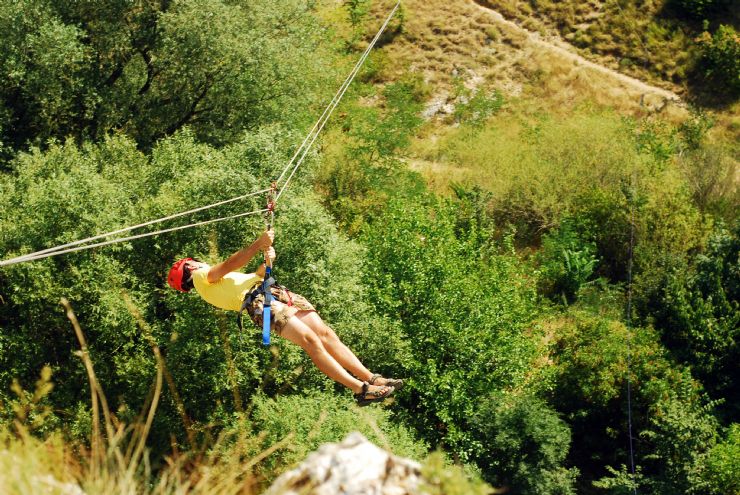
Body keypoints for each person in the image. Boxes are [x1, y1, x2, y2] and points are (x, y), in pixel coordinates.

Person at [167, 230, 401, 406]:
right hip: (261, 303)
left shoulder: (217, 285)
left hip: (270, 292)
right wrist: (258, 243)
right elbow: (230, 264)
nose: (200, 261)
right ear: (189, 267)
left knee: (325, 334)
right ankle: (361, 389)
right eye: (194, 261)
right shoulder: (200, 277)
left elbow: (256, 275)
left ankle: (373, 379)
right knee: (312, 341)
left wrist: (268, 259)